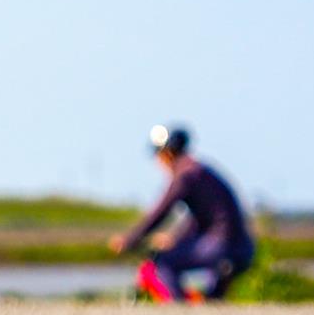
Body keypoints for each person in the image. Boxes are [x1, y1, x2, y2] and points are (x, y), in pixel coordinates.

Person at [108, 125, 256, 302]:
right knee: (212, 302)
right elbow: (204, 218)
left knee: (163, 263)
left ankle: (180, 313)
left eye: (158, 155)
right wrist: (176, 238)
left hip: (221, 246)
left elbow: (160, 212)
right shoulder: (199, 171)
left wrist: (130, 240)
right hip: (240, 246)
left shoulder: (185, 175)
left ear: (167, 154)